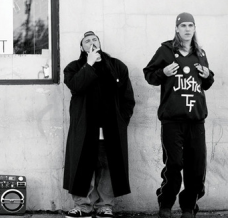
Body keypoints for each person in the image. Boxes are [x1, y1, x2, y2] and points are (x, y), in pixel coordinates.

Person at [143, 13, 214, 218]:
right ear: (176, 28)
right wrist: (163, 73)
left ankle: (188, 207)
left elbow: (206, 84)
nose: (187, 29)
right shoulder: (166, 50)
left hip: (196, 120)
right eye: (183, 25)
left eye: (190, 25)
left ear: (194, 28)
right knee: (174, 164)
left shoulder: (200, 53)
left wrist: (208, 75)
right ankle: (166, 204)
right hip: (172, 120)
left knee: (197, 167)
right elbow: (150, 75)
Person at [63, 31, 135, 218]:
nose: (92, 42)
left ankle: (105, 205)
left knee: (108, 166)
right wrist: (89, 64)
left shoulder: (117, 66)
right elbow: (76, 86)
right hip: (85, 127)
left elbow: (128, 97)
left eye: (95, 39)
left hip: (111, 127)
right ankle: (83, 206)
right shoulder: (74, 67)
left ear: (100, 44)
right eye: (87, 41)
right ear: (82, 47)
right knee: (82, 166)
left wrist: (122, 119)